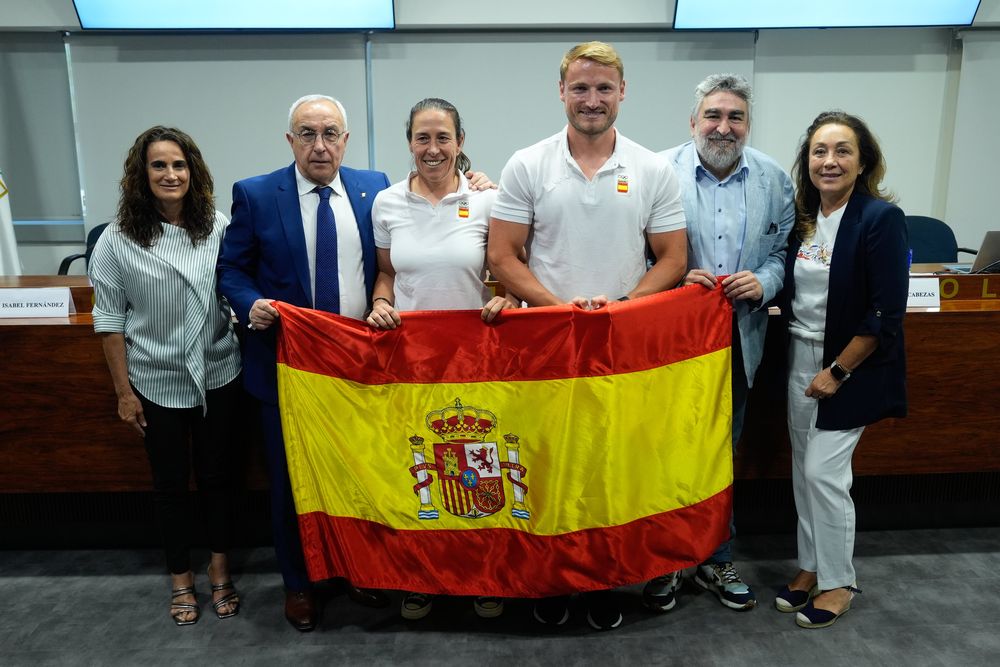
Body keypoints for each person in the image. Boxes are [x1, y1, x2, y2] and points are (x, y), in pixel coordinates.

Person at [217, 94, 493, 631]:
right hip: (288, 366)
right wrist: (251, 303)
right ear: (290, 139)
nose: (320, 145)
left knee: (364, 475)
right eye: (307, 133)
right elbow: (232, 269)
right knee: (293, 480)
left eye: (331, 133)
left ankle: (360, 572)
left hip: (361, 367)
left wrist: (473, 178)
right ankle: (299, 585)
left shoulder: (375, 189)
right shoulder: (255, 194)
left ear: (346, 140)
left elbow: (398, 256)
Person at [487, 41, 687, 631]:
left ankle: (604, 582)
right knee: (545, 469)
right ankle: (549, 579)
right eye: (581, 88)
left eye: (604, 88)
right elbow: (503, 255)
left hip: (622, 348)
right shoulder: (527, 164)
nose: (592, 100)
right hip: (547, 345)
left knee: (610, 473)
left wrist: (619, 310)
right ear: (562, 93)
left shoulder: (654, 169)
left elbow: (673, 259)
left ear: (622, 93)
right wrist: (564, 311)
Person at [644, 74, 794, 614]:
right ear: (693, 122)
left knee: (721, 452)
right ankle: (667, 559)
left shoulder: (775, 179)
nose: (723, 127)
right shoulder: (656, 171)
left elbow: (782, 254)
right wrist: (674, 279)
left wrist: (766, 281)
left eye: (735, 117)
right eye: (713, 116)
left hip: (738, 335)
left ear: (747, 125)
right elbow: (637, 251)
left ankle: (715, 555)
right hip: (670, 340)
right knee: (666, 450)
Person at [367, 98, 514, 621]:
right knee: (420, 470)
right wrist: (382, 301)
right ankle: (422, 576)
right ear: (409, 142)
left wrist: (510, 301)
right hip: (411, 364)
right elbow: (386, 273)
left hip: (476, 360)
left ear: (460, 142)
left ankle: (482, 575)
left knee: (478, 472)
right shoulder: (385, 203)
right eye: (423, 138)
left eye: (443, 138)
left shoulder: (490, 201)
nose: (433, 149)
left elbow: (507, 270)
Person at [89, 126, 243, 626]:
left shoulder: (216, 226)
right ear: (142, 174)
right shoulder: (116, 239)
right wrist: (123, 393)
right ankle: (181, 579)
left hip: (219, 372)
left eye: (179, 165)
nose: (171, 174)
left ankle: (221, 571)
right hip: (156, 382)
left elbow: (232, 291)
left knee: (220, 479)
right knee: (171, 485)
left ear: (193, 172)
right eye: (159, 165)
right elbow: (109, 322)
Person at [774, 111, 908, 629]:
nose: (829, 161)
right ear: (807, 162)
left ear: (863, 160)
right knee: (802, 474)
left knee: (823, 475)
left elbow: (884, 313)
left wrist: (837, 370)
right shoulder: (805, 221)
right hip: (798, 356)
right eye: (819, 152)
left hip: (849, 363)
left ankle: (839, 581)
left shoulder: (878, 219)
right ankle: (810, 566)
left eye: (842, 151)